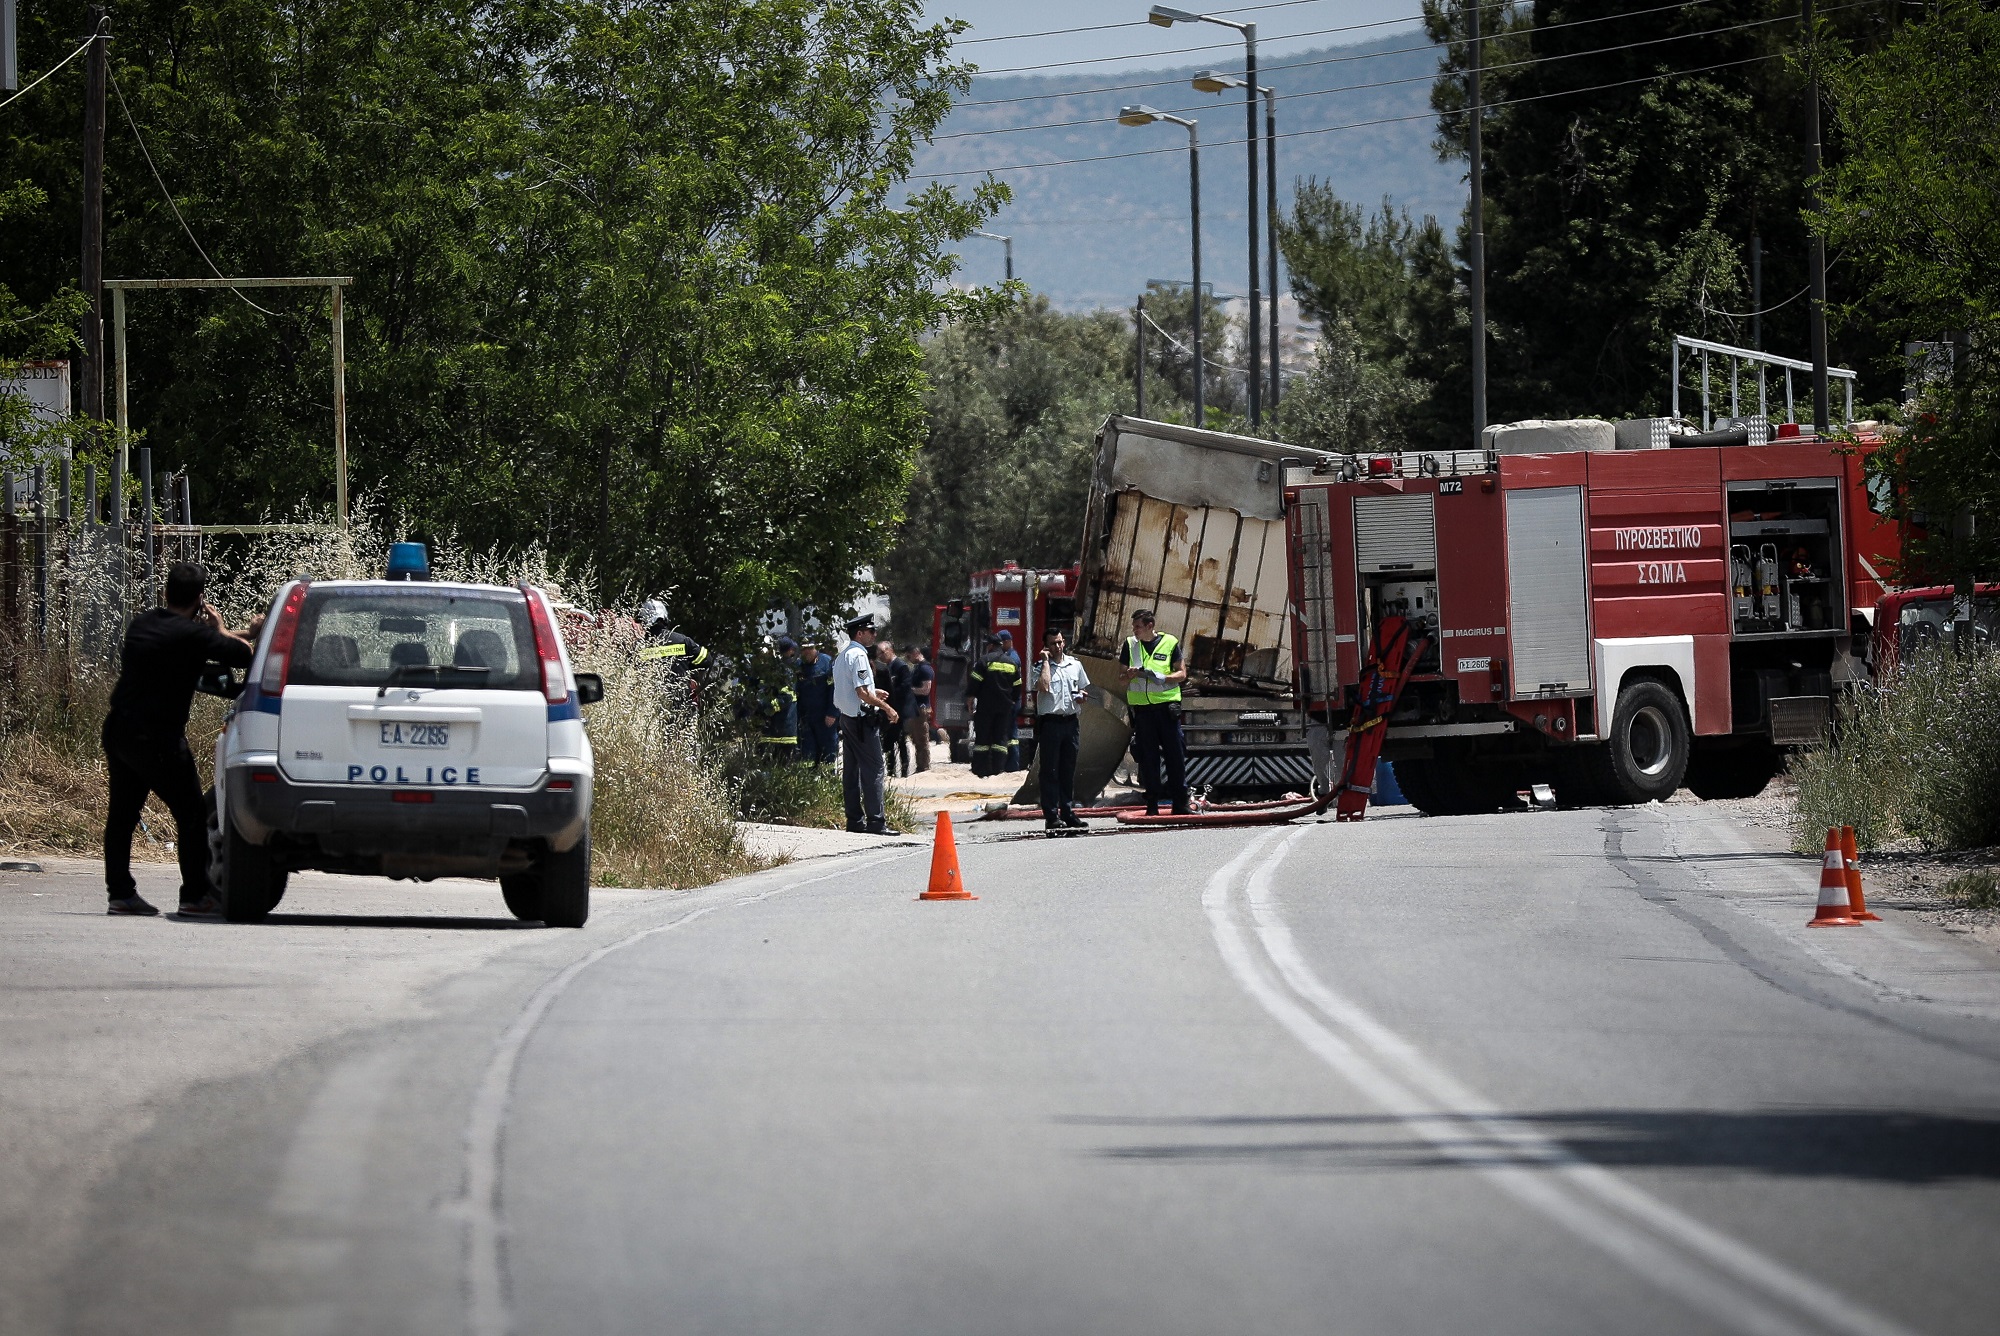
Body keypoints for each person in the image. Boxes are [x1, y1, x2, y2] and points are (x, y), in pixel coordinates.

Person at [102, 561, 260, 917]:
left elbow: (201, 642)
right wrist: (223, 628)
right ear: (201, 600)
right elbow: (241, 655)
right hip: (157, 738)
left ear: (165, 592)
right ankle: (194, 895)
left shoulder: (143, 624)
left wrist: (227, 633)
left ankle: (120, 894)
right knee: (190, 815)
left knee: (123, 815)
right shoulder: (196, 636)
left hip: (120, 731)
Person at [1119, 608, 1191, 816]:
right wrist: (1130, 675)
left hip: (1167, 709)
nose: (1134, 631)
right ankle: (1152, 806)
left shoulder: (1170, 642)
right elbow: (1121, 678)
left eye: (1138, 627)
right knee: (1148, 758)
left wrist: (1163, 677)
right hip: (1143, 712)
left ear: (1150, 626)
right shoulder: (1130, 645)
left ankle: (1181, 803)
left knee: (1174, 756)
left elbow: (1182, 673)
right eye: (1133, 627)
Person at [833, 615, 901, 835]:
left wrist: (874, 693)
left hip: (847, 717)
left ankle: (854, 821)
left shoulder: (843, 655)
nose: (874, 635)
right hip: (861, 720)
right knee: (874, 770)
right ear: (859, 633)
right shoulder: (859, 655)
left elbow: (854, 688)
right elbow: (861, 692)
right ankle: (876, 821)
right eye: (871, 631)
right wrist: (886, 707)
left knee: (851, 772)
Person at [1034, 626, 1090, 833]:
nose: (1057, 646)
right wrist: (1046, 661)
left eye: (1059, 642)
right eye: (1052, 643)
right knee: (1050, 771)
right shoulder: (1040, 666)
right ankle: (1051, 815)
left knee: (1068, 769)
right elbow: (1043, 686)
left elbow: (1083, 687)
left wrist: (1082, 696)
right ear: (1045, 646)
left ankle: (1067, 812)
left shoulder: (1074, 665)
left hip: (1071, 722)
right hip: (1051, 724)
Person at [967, 632, 1021, 777]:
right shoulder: (1011, 663)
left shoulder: (984, 661)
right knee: (1000, 739)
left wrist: (970, 698)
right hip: (1005, 707)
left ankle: (980, 769)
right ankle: (998, 768)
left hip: (986, 706)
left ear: (990, 646)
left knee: (983, 740)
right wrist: (1014, 699)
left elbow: (975, 682)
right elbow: (1017, 685)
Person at [637, 598, 710, 678]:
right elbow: (706, 659)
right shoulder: (682, 640)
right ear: (664, 617)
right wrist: (689, 668)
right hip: (679, 689)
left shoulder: (637, 647)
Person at [795, 641, 836, 764]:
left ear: (816, 648)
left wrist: (832, 713)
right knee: (807, 753)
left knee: (827, 751)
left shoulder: (827, 663)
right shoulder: (798, 666)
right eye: (803, 649)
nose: (807, 652)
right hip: (806, 718)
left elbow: (834, 690)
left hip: (825, 717)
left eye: (810, 648)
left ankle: (828, 779)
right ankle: (810, 780)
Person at [758, 638, 800, 755]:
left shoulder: (784, 670)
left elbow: (786, 697)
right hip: (775, 731)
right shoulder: (780, 670)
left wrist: (765, 709)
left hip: (783, 730)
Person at [879, 639, 914, 778]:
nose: (881, 655)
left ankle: (904, 770)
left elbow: (905, 687)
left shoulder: (901, 666)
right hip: (889, 710)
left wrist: (890, 693)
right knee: (888, 741)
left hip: (900, 710)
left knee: (901, 741)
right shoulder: (884, 668)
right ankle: (891, 769)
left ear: (890, 650)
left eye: (883, 652)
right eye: (879, 653)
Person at [904, 644, 934, 773]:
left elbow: (926, 690)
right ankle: (920, 766)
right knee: (916, 739)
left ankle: (924, 767)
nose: (908, 658)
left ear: (916, 652)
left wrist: (911, 690)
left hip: (922, 709)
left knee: (922, 740)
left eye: (909, 656)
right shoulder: (917, 668)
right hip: (915, 709)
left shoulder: (925, 669)